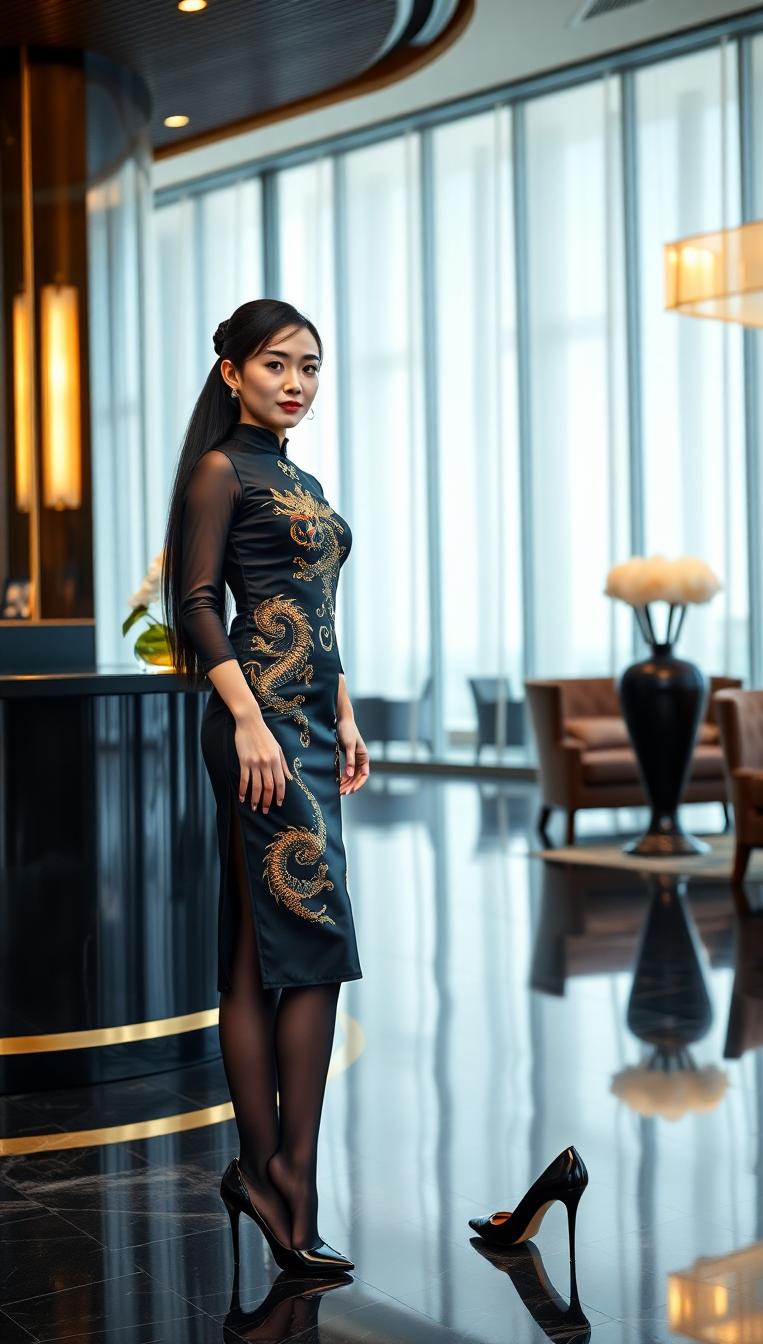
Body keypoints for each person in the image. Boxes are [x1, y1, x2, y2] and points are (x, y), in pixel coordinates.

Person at [162, 298, 369, 1275]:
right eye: (277, 363)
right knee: (315, 945)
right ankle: (291, 1178)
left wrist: (346, 713)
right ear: (232, 372)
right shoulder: (220, 470)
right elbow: (198, 605)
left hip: (310, 726)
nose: (296, 382)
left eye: (310, 366)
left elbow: (318, 609)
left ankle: (264, 1175)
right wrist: (247, 719)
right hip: (257, 727)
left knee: (257, 952)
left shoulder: (302, 480)